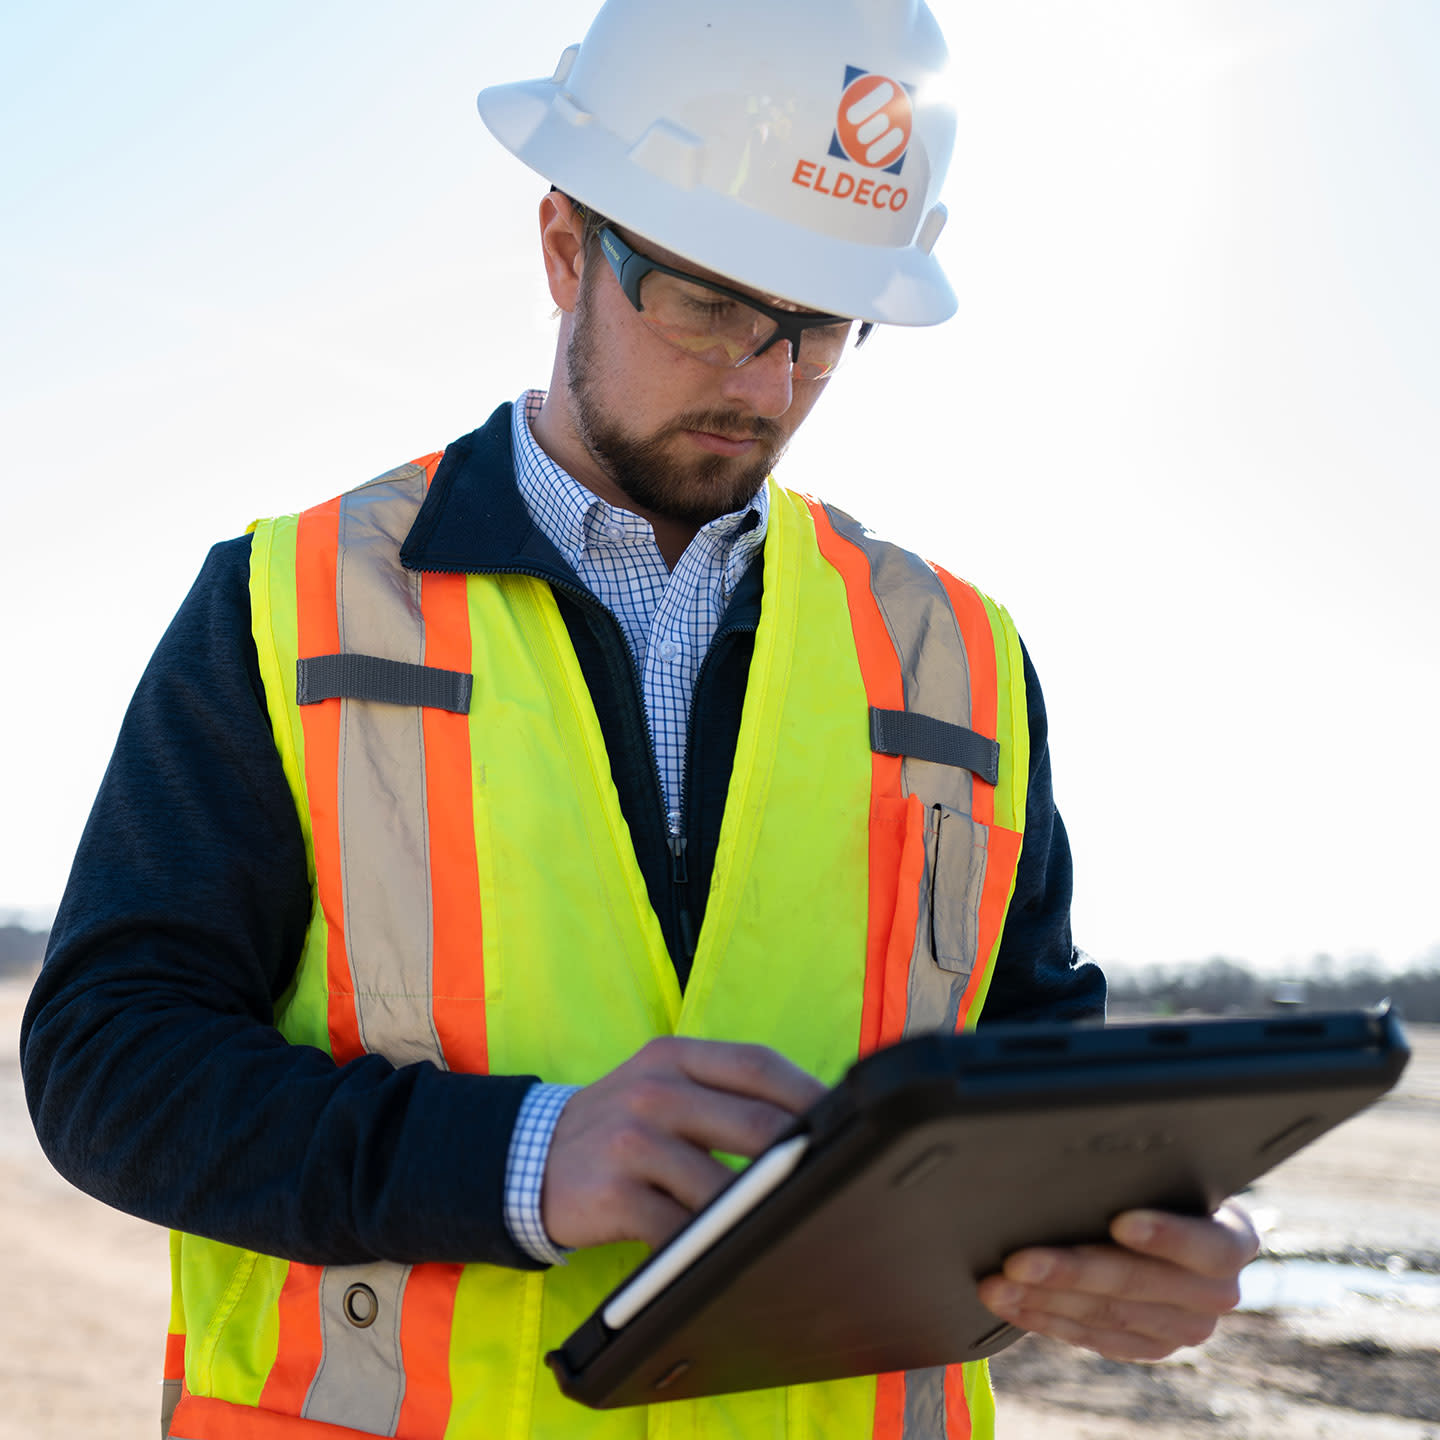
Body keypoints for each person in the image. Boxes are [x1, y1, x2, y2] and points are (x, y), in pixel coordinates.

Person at [21, 2, 1258, 1437]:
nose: (764, 381)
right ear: (563, 246)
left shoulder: (958, 662)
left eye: (817, 326)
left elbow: (1039, 1075)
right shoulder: (287, 606)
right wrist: (522, 1158)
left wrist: (1147, 1238)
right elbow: (108, 1061)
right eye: (711, 301)